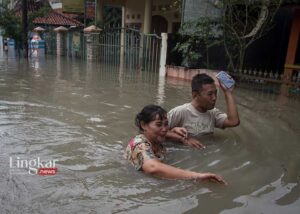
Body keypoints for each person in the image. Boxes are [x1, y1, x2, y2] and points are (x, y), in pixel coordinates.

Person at [124, 104, 226, 184]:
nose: (164, 129)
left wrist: (178, 134)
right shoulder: (139, 144)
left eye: (166, 124)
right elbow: (153, 168)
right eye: (159, 124)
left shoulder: (157, 142)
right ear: (143, 125)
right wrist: (197, 176)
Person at [167, 73, 240, 149]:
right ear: (195, 95)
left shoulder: (213, 113)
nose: (214, 98)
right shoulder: (181, 112)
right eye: (210, 94)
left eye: (215, 93)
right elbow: (157, 131)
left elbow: (233, 121)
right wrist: (185, 139)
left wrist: (228, 92)